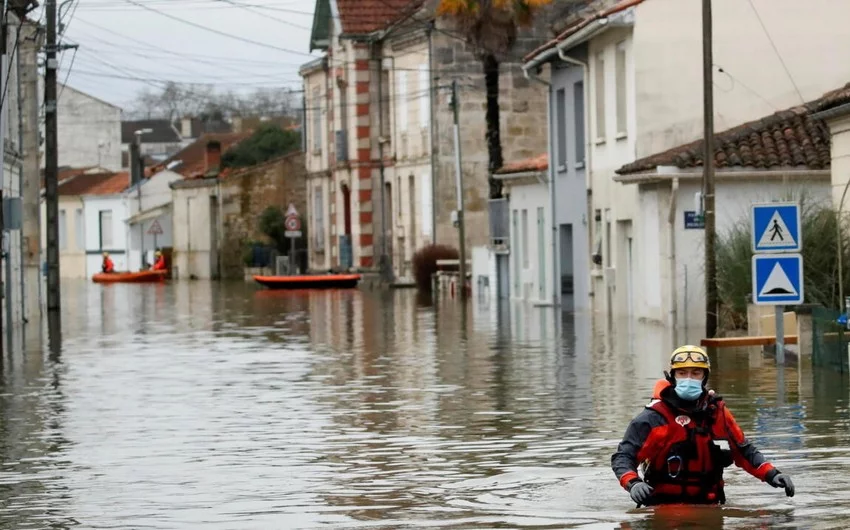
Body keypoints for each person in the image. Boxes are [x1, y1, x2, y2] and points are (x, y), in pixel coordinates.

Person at [611, 345, 795, 506]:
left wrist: (771, 474)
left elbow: (744, 451)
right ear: (672, 376)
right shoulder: (654, 417)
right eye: (682, 373)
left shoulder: (717, 412)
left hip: (710, 505)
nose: (689, 378)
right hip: (664, 508)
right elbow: (624, 456)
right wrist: (633, 482)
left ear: (704, 377)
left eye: (695, 373)